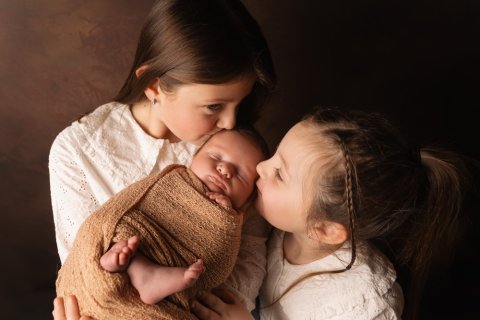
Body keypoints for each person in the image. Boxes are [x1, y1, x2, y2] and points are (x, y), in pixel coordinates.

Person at [49, 0, 276, 314]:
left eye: (239, 104)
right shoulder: (78, 150)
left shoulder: (235, 149)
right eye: (214, 106)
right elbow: (84, 266)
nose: (229, 122)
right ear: (154, 85)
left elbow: (250, 255)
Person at [189, 106, 474, 320]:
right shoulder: (269, 219)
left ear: (324, 229)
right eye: (275, 154)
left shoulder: (367, 305)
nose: (261, 166)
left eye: (280, 173)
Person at [56, 128, 269, 319]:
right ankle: (127, 267)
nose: (225, 170)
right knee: (125, 233)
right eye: (215, 156)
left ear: (248, 201)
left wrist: (226, 219)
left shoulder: (234, 219)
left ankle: (138, 271)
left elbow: (220, 261)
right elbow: (123, 210)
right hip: (133, 240)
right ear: (194, 157)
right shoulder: (173, 178)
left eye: (240, 175)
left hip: (172, 271)